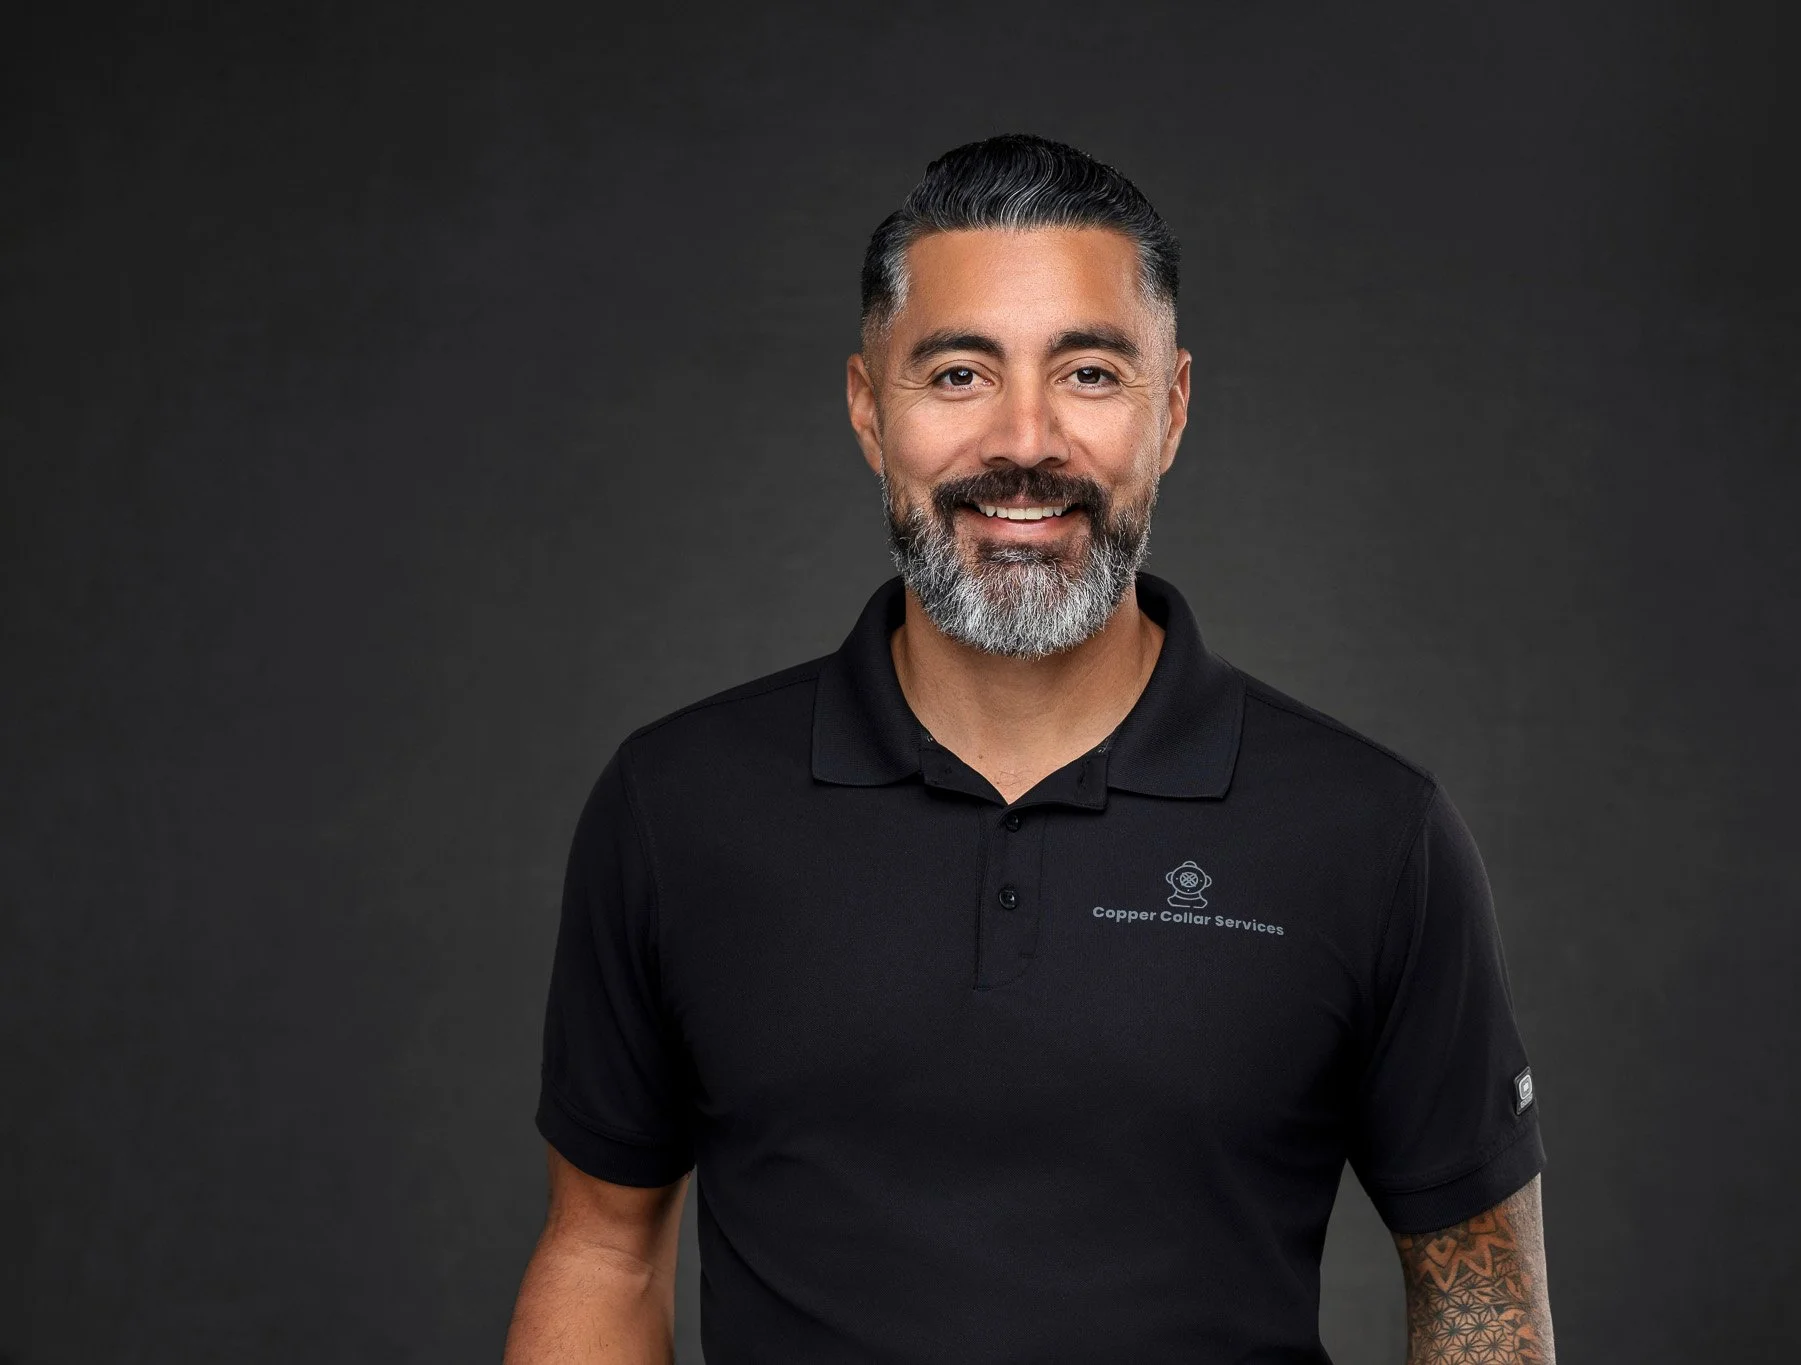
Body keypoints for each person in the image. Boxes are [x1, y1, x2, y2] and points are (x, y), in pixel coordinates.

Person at [504, 133, 1554, 1365]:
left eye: (1091, 374)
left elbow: (1480, 1297)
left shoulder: (1371, 834)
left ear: (1167, 412)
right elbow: (601, 1254)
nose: (1025, 442)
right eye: (956, 373)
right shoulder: (676, 807)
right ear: (865, 410)